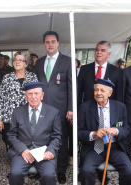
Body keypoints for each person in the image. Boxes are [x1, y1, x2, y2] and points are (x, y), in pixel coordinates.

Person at [78, 78, 131, 185]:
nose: (98, 93)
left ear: (110, 93)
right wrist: (93, 134)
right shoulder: (85, 107)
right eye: (96, 90)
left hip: (114, 147)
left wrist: (116, 130)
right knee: (86, 171)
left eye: (102, 90)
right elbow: (79, 132)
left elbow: (126, 130)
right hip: (94, 148)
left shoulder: (120, 107)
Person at [35, 31, 72, 184]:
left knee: (61, 141)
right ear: (44, 44)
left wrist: (70, 108)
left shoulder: (67, 61)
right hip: (42, 109)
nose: (50, 44)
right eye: (47, 42)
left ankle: (61, 170)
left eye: (53, 41)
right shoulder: (39, 62)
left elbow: (72, 86)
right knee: (41, 139)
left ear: (58, 43)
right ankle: (42, 168)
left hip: (61, 109)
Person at [7, 82, 62, 185]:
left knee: (49, 175)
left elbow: (57, 136)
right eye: (30, 94)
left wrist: (51, 150)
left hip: (44, 152)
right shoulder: (17, 112)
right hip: (23, 152)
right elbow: (11, 135)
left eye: (36, 93)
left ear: (42, 95)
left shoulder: (53, 112)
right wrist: (23, 150)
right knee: (15, 174)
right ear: (25, 96)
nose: (33, 97)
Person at [0, 51, 38, 150]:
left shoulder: (32, 77)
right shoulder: (7, 78)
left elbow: (37, 97)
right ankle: (15, 157)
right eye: (15, 60)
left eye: (20, 60)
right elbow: (0, 98)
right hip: (9, 117)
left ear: (26, 63)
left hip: (27, 118)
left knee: (27, 141)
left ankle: (23, 158)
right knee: (10, 140)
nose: (17, 62)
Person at [78, 41, 123, 109]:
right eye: (97, 50)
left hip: (108, 110)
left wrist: (117, 111)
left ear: (109, 54)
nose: (99, 52)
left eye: (103, 50)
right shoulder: (84, 69)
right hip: (87, 110)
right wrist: (77, 108)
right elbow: (78, 91)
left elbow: (119, 94)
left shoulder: (117, 71)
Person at [123, 42, 131, 164]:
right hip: (129, 117)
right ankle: (128, 171)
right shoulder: (126, 72)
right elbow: (121, 97)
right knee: (125, 146)